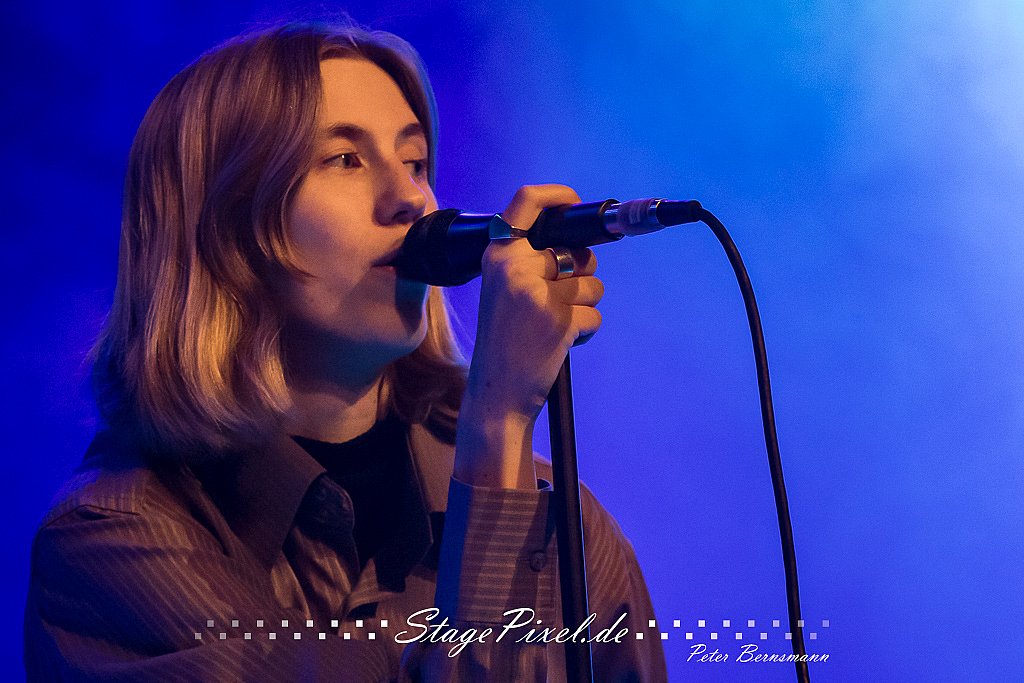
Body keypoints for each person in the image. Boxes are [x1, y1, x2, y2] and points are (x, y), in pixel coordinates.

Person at [24, 21, 667, 681]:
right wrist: (500, 416)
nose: (410, 200)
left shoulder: (561, 525)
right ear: (224, 230)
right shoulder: (111, 544)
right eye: (345, 159)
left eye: (415, 162)